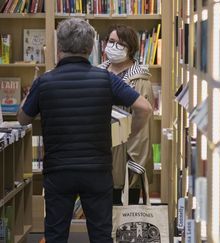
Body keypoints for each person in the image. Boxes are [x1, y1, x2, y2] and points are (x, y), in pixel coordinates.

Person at [17, 18, 152, 243]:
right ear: (90, 49)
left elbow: (22, 118)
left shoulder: (45, 82)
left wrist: (33, 88)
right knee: (101, 235)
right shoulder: (105, 78)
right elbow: (145, 108)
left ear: (59, 47)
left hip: (58, 171)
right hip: (97, 171)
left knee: (55, 235)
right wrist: (131, 133)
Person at [99, 24, 154, 205]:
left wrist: (136, 161)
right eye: (111, 42)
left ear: (131, 49)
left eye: (120, 44)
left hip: (127, 155)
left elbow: (144, 122)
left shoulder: (140, 79)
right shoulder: (98, 73)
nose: (113, 47)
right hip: (100, 153)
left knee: (126, 213)